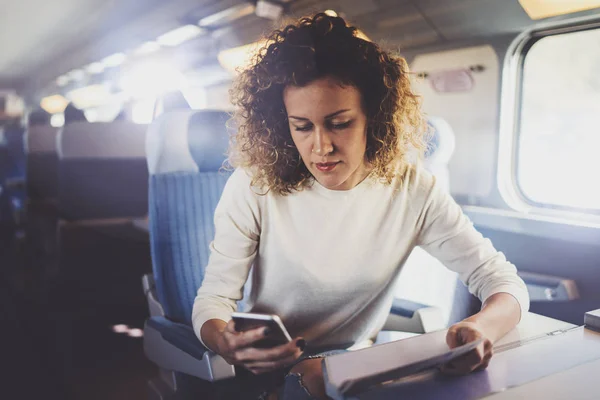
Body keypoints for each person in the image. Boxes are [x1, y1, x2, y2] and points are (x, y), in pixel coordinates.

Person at [193, 13, 529, 399]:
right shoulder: (254, 185)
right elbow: (213, 299)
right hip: (266, 371)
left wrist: (484, 327)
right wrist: (224, 341)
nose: (320, 146)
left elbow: (502, 281)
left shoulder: (412, 188)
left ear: (374, 116)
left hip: (352, 364)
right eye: (302, 126)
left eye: (339, 123)